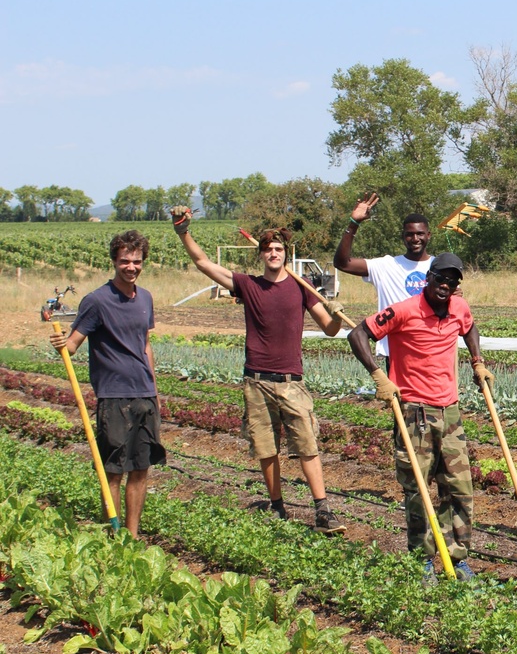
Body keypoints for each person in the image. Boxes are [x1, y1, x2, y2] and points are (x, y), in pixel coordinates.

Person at [172, 209, 347, 533]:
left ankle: (322, 510)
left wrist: (336, 314)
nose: (273, 253)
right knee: (267, 449)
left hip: (291, 381)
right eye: (268, 249)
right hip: (256, 380)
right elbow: (204, 264)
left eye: (278, 248)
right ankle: (278, 507)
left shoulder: (301, 286)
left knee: (307, 445)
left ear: (285, 253)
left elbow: (331, 328)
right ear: (261, 254)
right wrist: (183, 232)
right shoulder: (247, 286)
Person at [348, 253, 491, 577]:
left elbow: (469, 327)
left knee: (459, 487)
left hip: (450, 411)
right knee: (417, 489)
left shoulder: (459, 307)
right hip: (414, 413)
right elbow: (358, 334)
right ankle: (423, 558)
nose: (445, 285)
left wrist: (477, 360)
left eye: (452, 282)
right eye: (440, 278)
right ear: (428, 278)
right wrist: (377, 375)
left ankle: (457, 556)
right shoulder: (404, 310)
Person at [50, 231, 164, 537]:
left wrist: (154, 389)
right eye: (125, 260)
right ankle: (113, 536)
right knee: (112, 471)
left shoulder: (146, 298)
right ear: (114, 261)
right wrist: (62, 343)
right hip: (114, 397)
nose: (131, 266)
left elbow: (145, 343)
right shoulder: (96, 301)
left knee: (140, 469)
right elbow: (73, 343)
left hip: (144, 395)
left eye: (137, 261)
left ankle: (132, 536)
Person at [334, 194, 434, 363]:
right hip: (395, 355)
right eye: (410, 234)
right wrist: (354, 223)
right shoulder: (386, 266)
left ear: (428, 235)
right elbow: (342, 263)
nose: (415, 239)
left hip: (432, 353)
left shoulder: (440, 267)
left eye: (420, 234)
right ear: (403, 236)